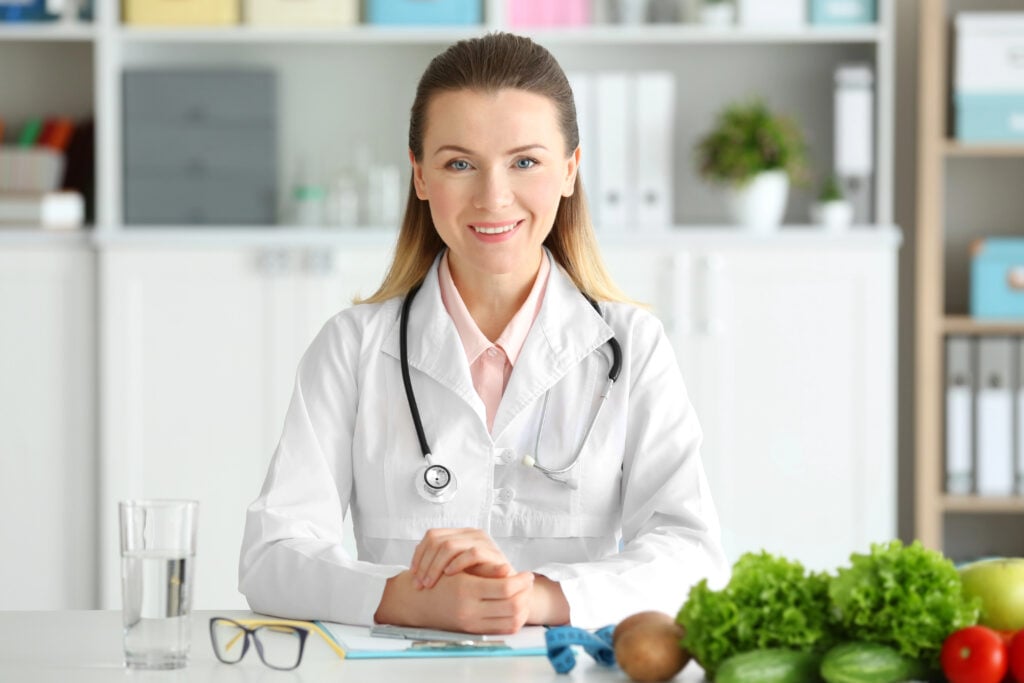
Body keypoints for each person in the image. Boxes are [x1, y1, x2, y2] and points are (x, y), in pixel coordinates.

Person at [239, 31, 729, 634]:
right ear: (419, 177)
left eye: (525, 161)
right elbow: (272, 556)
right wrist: (403, 598)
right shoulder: (353, 347)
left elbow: (693, 557)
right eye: (459, 164)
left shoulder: (632, 345)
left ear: (570, 170)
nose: (494, 197)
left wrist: (539, 598)